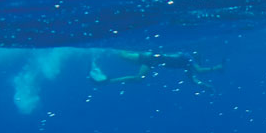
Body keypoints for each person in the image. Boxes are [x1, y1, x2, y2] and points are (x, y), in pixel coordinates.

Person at [88, 49, 224, 90]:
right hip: (152, 58)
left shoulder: (187, 64)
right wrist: (216, 68)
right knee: (120, 54)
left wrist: (203, 85)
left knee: (138, 78)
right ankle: (96, 56)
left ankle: (107, 80)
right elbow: (199, 71)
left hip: (152, 61)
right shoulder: (188, 57)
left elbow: (193, 78)